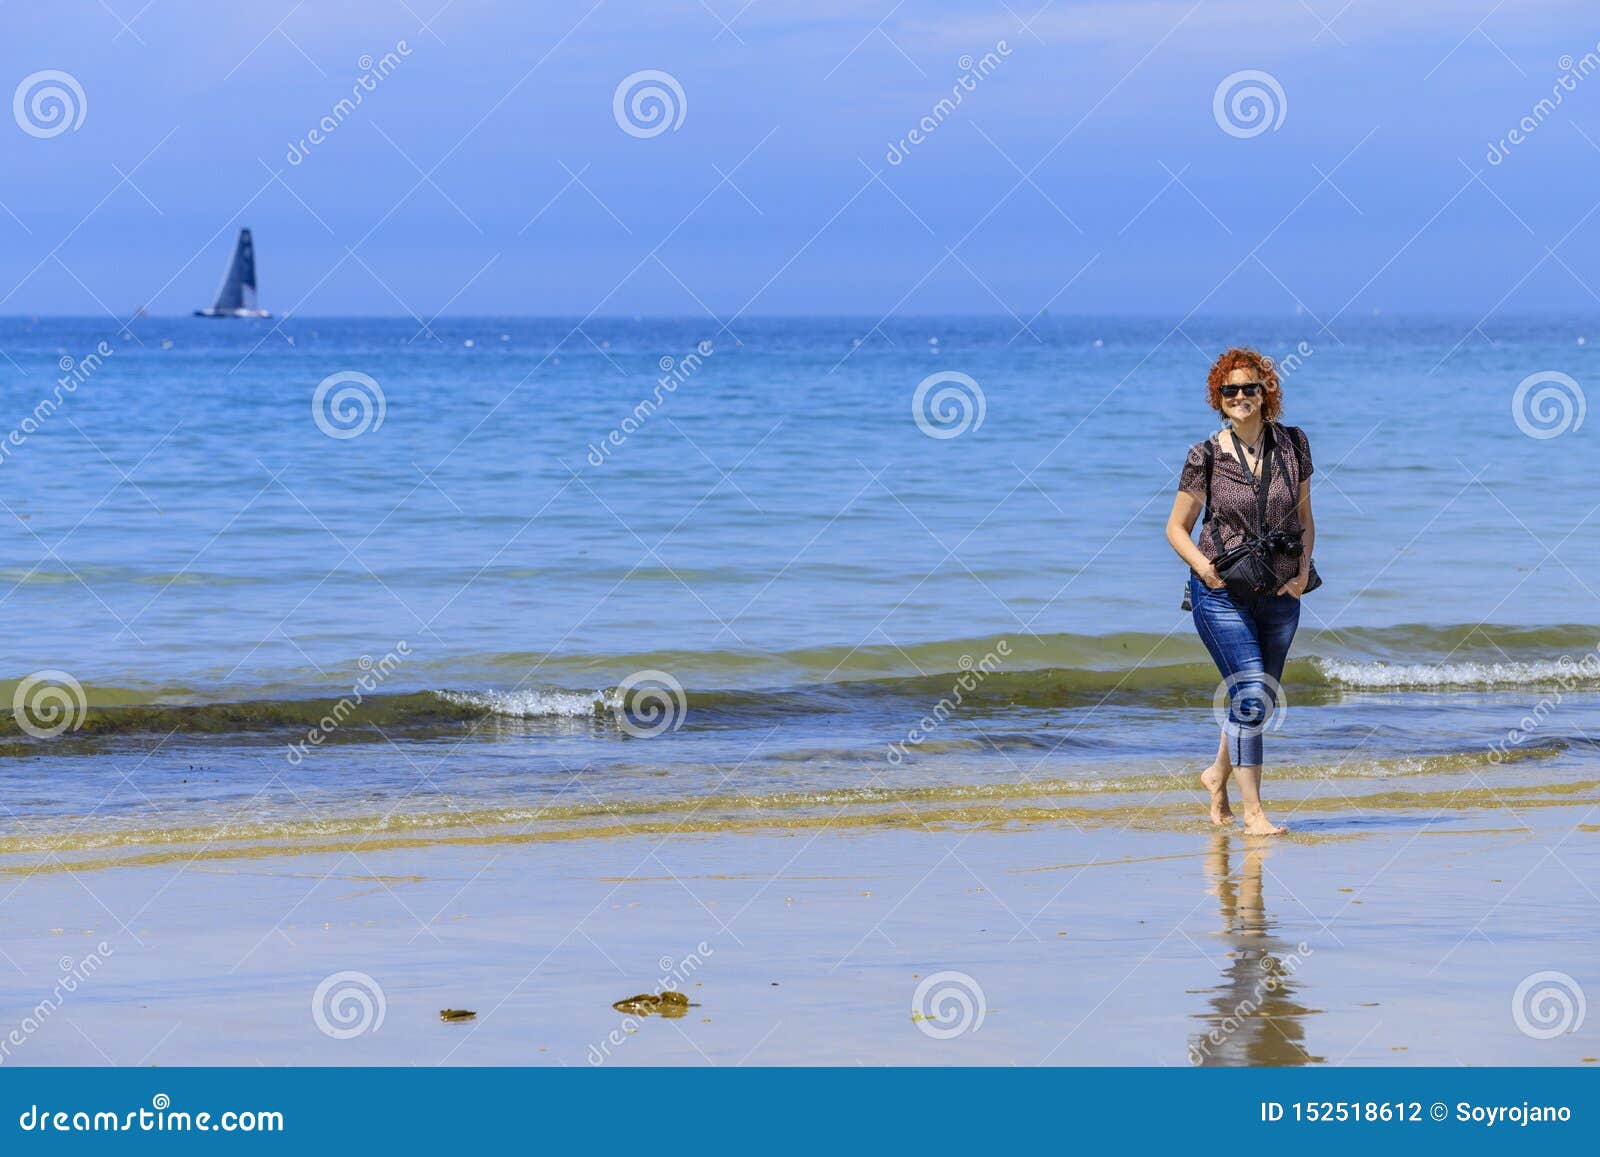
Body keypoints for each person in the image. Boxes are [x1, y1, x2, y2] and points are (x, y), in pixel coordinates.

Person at [1164, 348, 1315, 835]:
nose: (1241, 397)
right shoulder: (1204, 455)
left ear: (1266, 393)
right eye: (1230, 390)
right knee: (1251, 691)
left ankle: (1216, 776)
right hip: (1221, 591)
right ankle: (1254, 815)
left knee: (1259, 699)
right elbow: (1175, 528)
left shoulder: (1293, 444)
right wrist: (1205, 569)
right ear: (1219, 399)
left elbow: (1306, 519)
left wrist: (1303, 571)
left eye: (1250, 387)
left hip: (1280, 589)